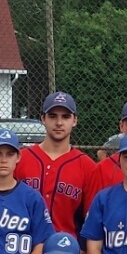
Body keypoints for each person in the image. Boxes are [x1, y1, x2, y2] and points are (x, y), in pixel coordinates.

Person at [15, 92, 95, 235]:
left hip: (65, 251)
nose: (59, 123)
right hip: (23, 248)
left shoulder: (87, 166)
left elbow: (91, 221)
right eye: (52, 116)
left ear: (75, 120)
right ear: (43, 119)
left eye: (65, 117)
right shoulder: (21, 159)